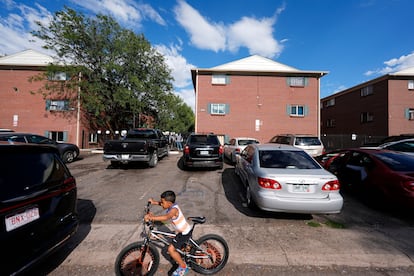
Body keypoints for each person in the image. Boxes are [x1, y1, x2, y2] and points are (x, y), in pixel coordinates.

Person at [144, 190, 191, 276]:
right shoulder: (171, 205)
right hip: (181, 231)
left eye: (163, 202)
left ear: (169, 203)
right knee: (179, 245)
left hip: (184, 233)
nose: (161, 203)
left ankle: (183, 267)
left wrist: (152, 218)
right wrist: (153, 202)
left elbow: (166, 217)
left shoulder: (174, 210)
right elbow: (161, 204)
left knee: (170, 249)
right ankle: (186, 248)